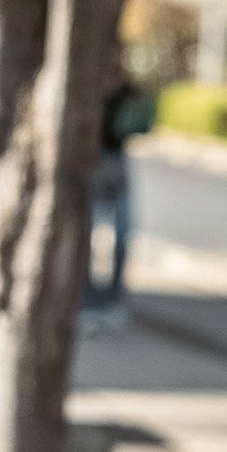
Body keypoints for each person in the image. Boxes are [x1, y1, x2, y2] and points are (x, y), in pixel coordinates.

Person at [81, 55, 155, 331]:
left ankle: (113, 299)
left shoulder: (127, 91)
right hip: (93, 161)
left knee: (123, 235)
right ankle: (86, 300)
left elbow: (143, 117)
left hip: (117, 162)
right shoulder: (88, 88)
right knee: (86, 234)